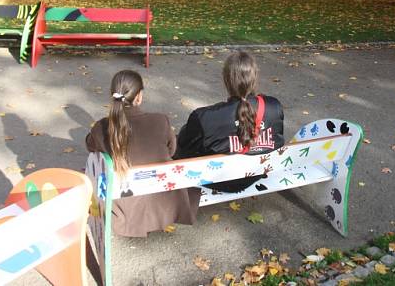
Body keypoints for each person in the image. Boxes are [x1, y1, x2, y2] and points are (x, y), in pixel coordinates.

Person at [86, 70, 198, 237]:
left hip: (125, 206)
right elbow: (172, 150)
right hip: (163, 202)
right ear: (139, 96)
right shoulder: (160, 121)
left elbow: (90, 146)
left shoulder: (102, 128)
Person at [175, 51, 285, 193]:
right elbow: (278, 141)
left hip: (218, 180)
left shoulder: (205, 117)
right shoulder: (274, 106)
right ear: (255, 78)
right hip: (256, 173)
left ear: (226, 80)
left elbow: (184, 146)